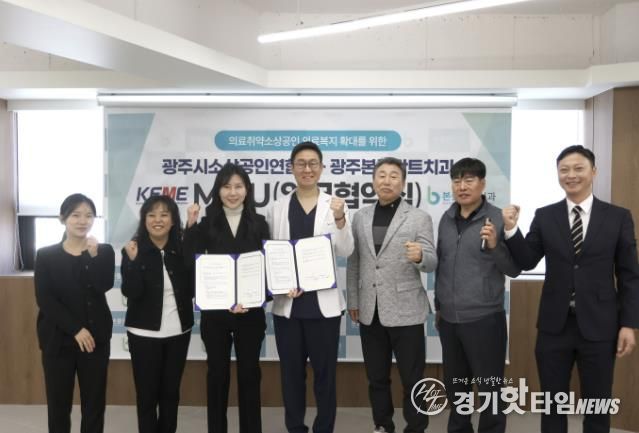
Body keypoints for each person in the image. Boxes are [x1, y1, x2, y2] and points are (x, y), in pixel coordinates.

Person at [502, 145, 639, 433]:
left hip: (601, 325)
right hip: (555, 326)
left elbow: (629, 275)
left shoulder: (618, 217)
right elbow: (527, 261)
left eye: (578, 168)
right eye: (564, 170)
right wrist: (512, 230)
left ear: (593, 172)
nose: (571, 175)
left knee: (597, 405)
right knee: (553, 404)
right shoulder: (545, 215)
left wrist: (628, 324)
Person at [268, 141, 353, 433]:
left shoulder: (336, 205)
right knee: (291, 376)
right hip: (288, 308)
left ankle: (323, 428)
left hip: (323, 308)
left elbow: (346, 250)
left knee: (325, 377)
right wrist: (279, 282)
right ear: (292, 168)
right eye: (301, 163)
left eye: (313, 163)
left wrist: (340, 218)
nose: (307, 169)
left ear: (322, 167)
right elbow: (272, 255)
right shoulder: (277, 208)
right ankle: (295, 427)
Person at [346, 157, 437, 433]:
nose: (387, 181)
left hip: (407, 309)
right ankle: (383, 424)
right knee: (377, 378)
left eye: (394, 176)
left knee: (413, 378)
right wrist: (353, 300)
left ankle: (417, 427)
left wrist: (420, 256)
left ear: (403, 182)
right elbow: (355, 262)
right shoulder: (360, 216)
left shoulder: (419, 217)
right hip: (370, 309)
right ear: (374, 181)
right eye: (382, 175)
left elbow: (432, 261)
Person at [434, 158, 520, 433]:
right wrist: (439, 307)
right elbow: (442, 264)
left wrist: (495, 245)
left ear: (482, 184)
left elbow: (513, 269)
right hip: (449, 320)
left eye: (469, 180)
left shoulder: (498, 218)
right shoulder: (446, 219)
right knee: (456, 387)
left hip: (485, 319)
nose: (462, 186)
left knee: (490, 388)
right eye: (457, 181)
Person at [183, 162, 270, 433]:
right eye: (226, 186)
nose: (232, 192)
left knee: (249, 375)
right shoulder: (206, 223)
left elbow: (266, 268)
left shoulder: (259, 223)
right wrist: (190, 226)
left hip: (250, 313)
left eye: (238, 186)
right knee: (217, 376)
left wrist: (254, 298)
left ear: (247, 190)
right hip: (215, 315)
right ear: (218, 191)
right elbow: (190, 264)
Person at [34, 193, 115, 433]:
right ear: (63, 218)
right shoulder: (46, 255)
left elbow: (103, 285)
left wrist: (92, 256)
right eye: (75, 215)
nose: (83, 221)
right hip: (58, 340)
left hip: (95, 340)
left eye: (88, 215)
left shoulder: (103, 251)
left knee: (94, 405)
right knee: (59, 406)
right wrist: (76, 330)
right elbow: (45, 300)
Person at [121, 195, 193, 433]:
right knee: (147, 395)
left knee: (171, 393)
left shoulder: (182, 248)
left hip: (178, 332)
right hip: (143, 335)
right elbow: (132, 292)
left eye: (164, 215)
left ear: (173, 220)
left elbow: (194, 287)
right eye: (151, 215)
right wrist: (133, 262)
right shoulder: (133, 249)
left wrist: (192, 230)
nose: (157, 220)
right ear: (144, 220)